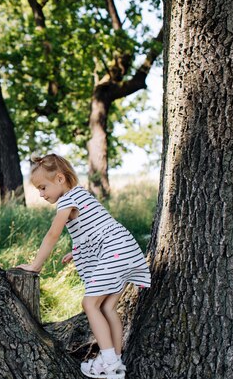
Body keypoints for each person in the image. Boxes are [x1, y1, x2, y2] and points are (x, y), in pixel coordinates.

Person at [17, 153, 150, 379]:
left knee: (89, 304)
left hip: (113, 252)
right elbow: (95, 229)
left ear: (60, 179)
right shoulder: (82, 195)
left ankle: (109, 364)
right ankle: (115, 363)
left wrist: (36, 265)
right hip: (125, 249)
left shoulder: (67, 200)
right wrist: (76, 251)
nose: (41, 194)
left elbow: (52, 234)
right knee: (107, 308)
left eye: (42, 188)